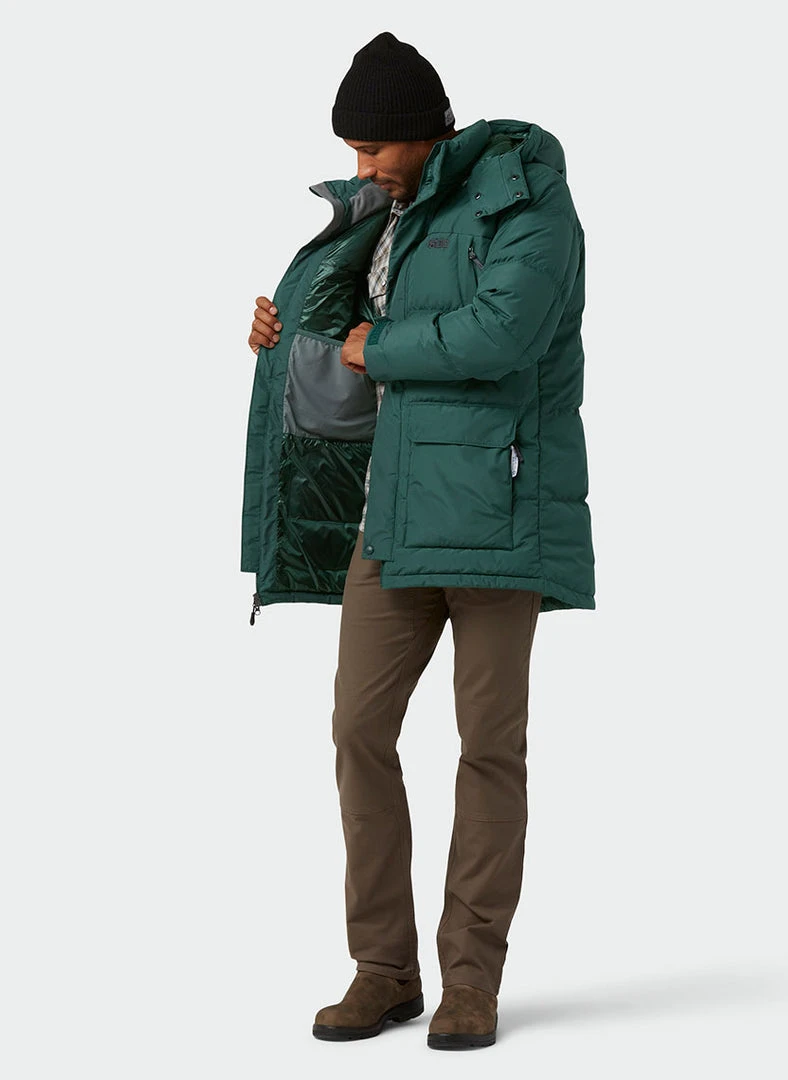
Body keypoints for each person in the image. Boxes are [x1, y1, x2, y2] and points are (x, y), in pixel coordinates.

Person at [242, 31, 595, 1050]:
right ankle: (383, 970)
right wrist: (285, 334)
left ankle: (470, 982)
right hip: (391, 513)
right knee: (358, 729)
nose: (361, 169)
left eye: (372, 149)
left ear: (425, 134)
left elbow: (502, 334)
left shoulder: (526, 201)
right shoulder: (391, 212)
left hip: (499, 508)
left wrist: (376, 345)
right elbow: (347, 339)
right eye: (351, 152)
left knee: (487, 748)